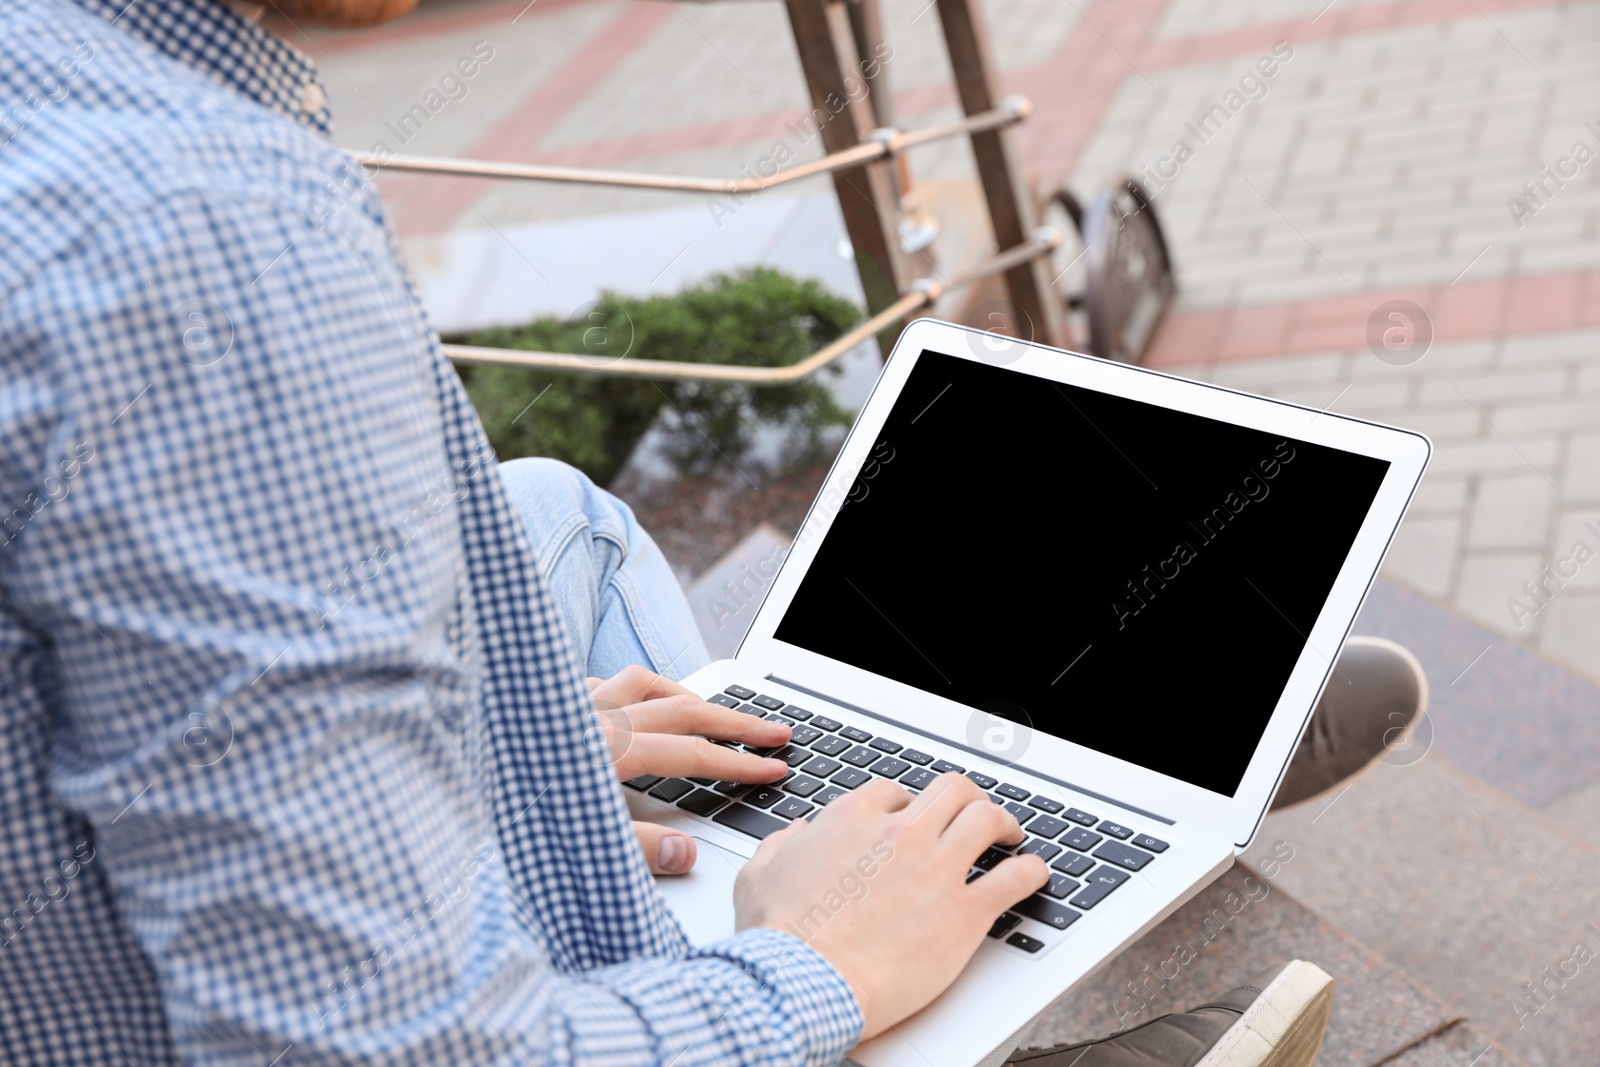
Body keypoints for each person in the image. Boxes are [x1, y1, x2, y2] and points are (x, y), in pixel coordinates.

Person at [0, 2, 1424, 1065]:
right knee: (836, 948)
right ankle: (997, 920)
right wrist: (813, 968)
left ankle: (1024, 793)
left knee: (556, 511)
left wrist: (500, 752)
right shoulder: (196, 232)